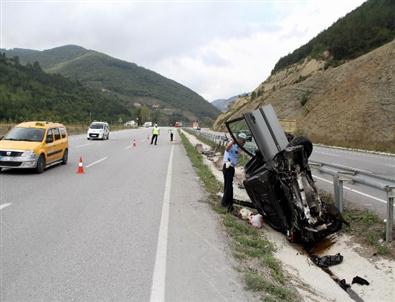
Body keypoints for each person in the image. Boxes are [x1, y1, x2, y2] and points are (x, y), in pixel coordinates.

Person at [221, 132, 247, 211]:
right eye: (242, 141)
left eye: (244, 141)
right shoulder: (231, 144)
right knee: (229, 186)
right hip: (228, 166)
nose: (243, 142)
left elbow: (239, 151)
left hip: (231, 168)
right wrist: (233, 141)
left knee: (228, 185)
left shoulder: (238, 147)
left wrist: (238, 143)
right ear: (239, 139)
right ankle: (226, 203)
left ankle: (227, 203)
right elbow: (227, 148)